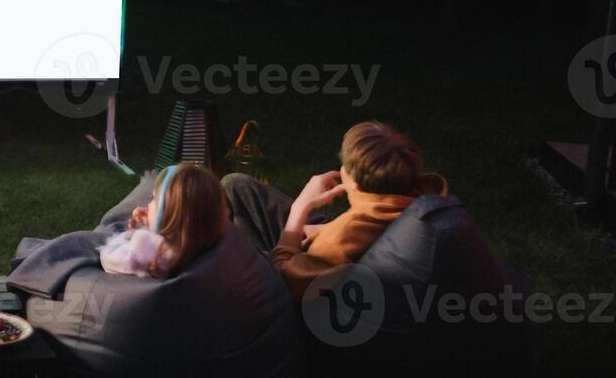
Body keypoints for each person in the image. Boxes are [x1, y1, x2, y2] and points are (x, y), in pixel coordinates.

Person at [222, 121, 448, 300]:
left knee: (234, 229)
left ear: (353, 182)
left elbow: (282, 282)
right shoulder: (425, 199)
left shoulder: (342, 239)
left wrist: (300, 211)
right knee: (238, 185)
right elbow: (368, 224)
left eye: (345, 167)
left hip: (294, 283)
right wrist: (321, 229)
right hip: (345, 236)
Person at [99, 163, 228, 279]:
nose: (149, 203)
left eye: (154, 198)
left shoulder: (149, 253)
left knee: (109, 222)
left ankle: (151, 177)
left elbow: (107, 257)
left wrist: (134, 231)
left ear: (169, 216)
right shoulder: (199, 242)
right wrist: (154, 223)